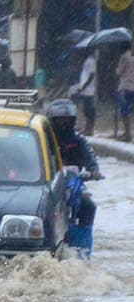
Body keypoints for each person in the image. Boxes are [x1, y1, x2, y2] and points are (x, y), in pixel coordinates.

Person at [46, 98, 104, 258]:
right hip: (47, 183)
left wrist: (94, 171)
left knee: (88, 206)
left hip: (73, 183)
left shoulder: (78, 141)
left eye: (67, 121)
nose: (64, 124)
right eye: (60, 121)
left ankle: (83, 251)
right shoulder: (45, 139)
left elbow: (90, 156)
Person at [75, 50, 97, 136]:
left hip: (89, 90)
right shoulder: (87, 61)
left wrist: (84, 86)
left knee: (89, 110)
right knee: (86, 110)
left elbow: (91, 75)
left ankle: (90, 129)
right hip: (85, 90)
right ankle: (87, 128)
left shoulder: (91, 61)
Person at [115, 41, 134, 141]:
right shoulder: (132, 56)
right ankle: (127, 133)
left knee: (124, 112)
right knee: (129, 110)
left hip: (124, 87)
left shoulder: (124, 57)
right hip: (133, 87)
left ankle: (127, 134)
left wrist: (116, 69)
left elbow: (119, 71)